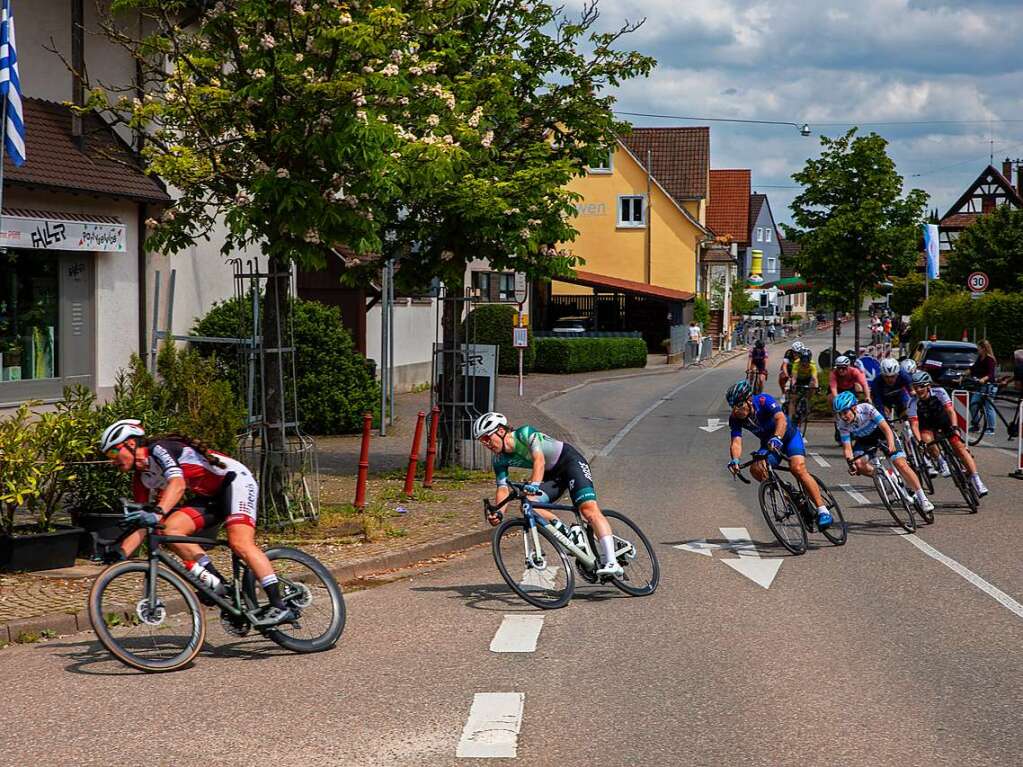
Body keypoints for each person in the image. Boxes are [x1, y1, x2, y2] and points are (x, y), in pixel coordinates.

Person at [100, 419, 296, 626]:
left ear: (130, 444)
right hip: (210, 497)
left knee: (240, 543)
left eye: (113, 453)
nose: (112, 461)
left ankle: (278, 605)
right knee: (168, 531)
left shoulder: (158, 449)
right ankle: (218, 584)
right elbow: (143, 525)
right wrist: (120, 553)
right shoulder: (142, 478)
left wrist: (157, 513)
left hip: (235, 481)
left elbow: (178, 483)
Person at [475, 412, 624, 578]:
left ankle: (612, 561)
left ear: (501, 431)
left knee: (588, 510)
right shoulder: (499, 460)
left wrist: (534, 484)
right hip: (551, 476)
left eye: (487, 438)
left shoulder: (524, 434)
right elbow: (502, 488)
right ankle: (570, 534)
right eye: (482, 441)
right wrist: (499, 512)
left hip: (570, 463)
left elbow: (539, 460)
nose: (486, 444)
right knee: (530, 507)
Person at [724, 380, 833, 529]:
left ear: (749, 400)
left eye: (739, 405)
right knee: (756, 469)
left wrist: (777, 437)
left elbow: (781, 419)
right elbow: (736, 441)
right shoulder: (735, 418)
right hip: (769, 444)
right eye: (733, 407)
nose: (736, 411)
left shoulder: (763, 401)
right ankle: (791, 498)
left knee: (798, 469)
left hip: (788, 437)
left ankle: (822, 510)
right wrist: (735, 460)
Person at [833, 391, 934, 514]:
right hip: (864, 441)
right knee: (858, 464)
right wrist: (851, 463)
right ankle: (884, 477)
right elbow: (847, 448)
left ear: (854, 407)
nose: (843, 416)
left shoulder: (867, 408)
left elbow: (886, 428)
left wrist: (891, 445)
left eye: (845, 412)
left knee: (900, 464)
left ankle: (923, 499)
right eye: (840, 414)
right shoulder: (842, 424)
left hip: (883, 435)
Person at [911, 372, 988, 497]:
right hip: (928, 427)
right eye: (916, 387)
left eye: (921, 386)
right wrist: (920, 442)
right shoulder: (913, 402)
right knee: (926, 440)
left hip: (945, 423)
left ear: (928, 386)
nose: (918, 390)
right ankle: (941, 461)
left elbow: (950, 411)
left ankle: (977, 480)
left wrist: (955, 428)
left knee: (960, 448)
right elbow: (914, 424)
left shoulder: (939, 392)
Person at [969, 339, 998, 436]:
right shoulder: (980, 358)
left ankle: (991, 428)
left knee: (988, 407)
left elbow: (991, 374)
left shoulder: (990, 359)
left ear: (984, 349)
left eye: (979, 348)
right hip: (980, 386)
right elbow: (972, 369)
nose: (978, 350)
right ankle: (976, 425)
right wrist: (962, 375)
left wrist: (983, 379)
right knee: (973, 404)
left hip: (989, 386)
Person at [785, 348, 819, 417]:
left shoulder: (812, 365)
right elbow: (794, 378)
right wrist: (793, 385)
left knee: (812, 386)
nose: (804, 364)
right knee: (793, 398)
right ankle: (790, 418)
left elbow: (814, 378)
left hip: (807, 379)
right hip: (798, 379)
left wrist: (817, 387)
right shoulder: (796, 363)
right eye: (803, 361)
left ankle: (807, 402)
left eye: (806, 362)